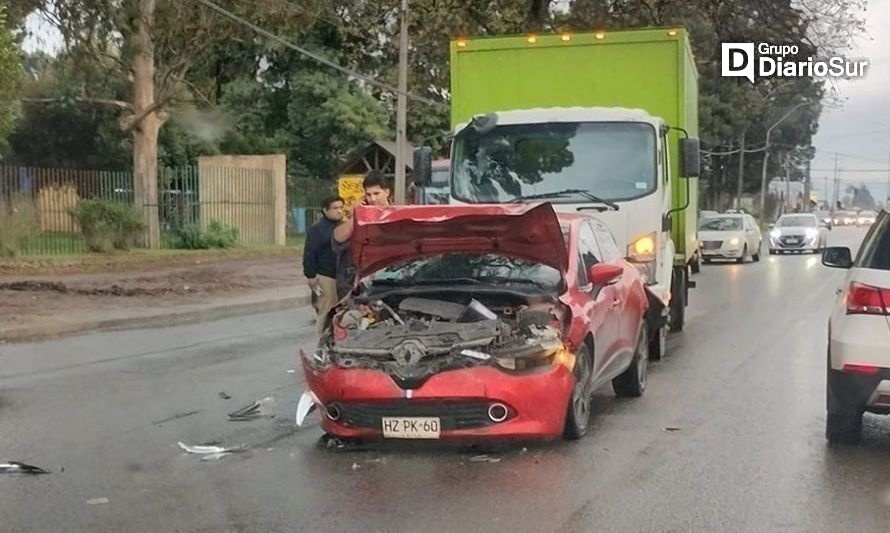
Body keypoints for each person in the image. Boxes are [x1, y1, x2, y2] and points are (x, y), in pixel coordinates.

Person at [332, 170, 392, 300]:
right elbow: (338, 238)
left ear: (387, 192)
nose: (373, 199)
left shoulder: (396, 215)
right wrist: (357, 215)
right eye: (369, 195)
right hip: (358, 283)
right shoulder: (360, 217)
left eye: (377, 193)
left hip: (389, 281)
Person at [302, 195, 344, 335]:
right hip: (325, 277)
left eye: (341, 207)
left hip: (341, 276)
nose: (339, 211)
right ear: (325, 210)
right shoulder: (318, 229)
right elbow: (310, 253)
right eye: (335, 208)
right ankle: (321, 343)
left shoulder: (343, 226)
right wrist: (311, 276)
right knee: (325, 310)